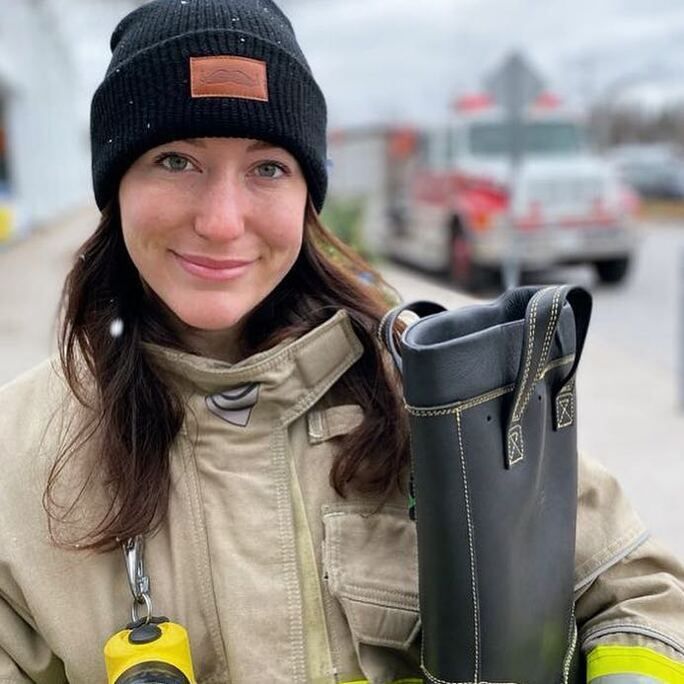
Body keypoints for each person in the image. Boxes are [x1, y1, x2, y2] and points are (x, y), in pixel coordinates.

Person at [0, 1, 682, 682]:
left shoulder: (445, 395)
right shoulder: (18, 454)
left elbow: (636, 592)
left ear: (307, 195)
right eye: (175, 160)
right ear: (114, 184)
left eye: (267, 167)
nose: (220, 220)